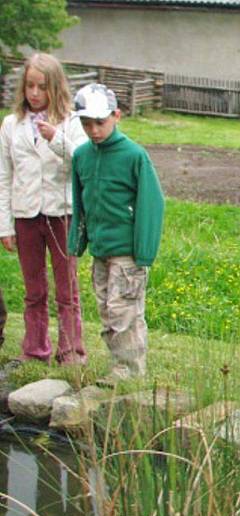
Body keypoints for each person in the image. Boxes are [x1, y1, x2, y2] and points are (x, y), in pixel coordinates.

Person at [68, 83, 165, 383]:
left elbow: (152, 203)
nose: (94, 130)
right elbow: (80, 200)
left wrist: (144, 252)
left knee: (124, 309)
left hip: (127, 250)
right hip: (101, 247)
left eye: (100, 122)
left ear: (116, 116)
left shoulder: (134, 156)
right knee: (107, 310)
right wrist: (77, 241)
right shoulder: (82, 155)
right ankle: (118, 363)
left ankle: (129, 369)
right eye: (86, 123)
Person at [0, 53, 88, 364]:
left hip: (61, 213)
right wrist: (5, 226)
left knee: (67, 289)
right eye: (30, 87)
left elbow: (81, 159)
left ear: (56, 87)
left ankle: (71, 351)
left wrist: (56, 139)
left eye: (42, 87)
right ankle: (35, 350)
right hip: (26, 215)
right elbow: (5, 175)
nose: (35, 94)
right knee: (33, 290)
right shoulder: (12, 124)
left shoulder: (71, 122)